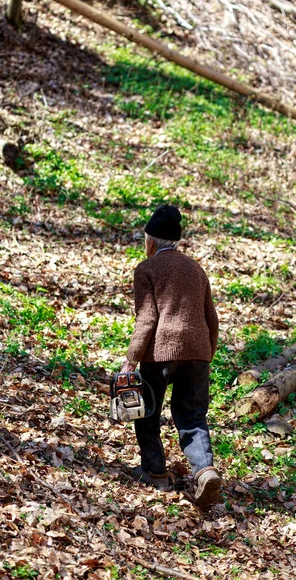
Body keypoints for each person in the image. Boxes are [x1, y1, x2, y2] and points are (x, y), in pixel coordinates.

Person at [120, 204, 221, 507]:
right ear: (176, 242)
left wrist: (131, 359)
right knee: (192, 416)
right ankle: (204, 472)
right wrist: (206, 353)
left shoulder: (146, 269)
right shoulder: (196, 269)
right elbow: (211, 318)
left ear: (150, 242)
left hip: (160, 353)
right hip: (198, 352)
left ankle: (156, 472)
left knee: (148, 412)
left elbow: (147, 318)